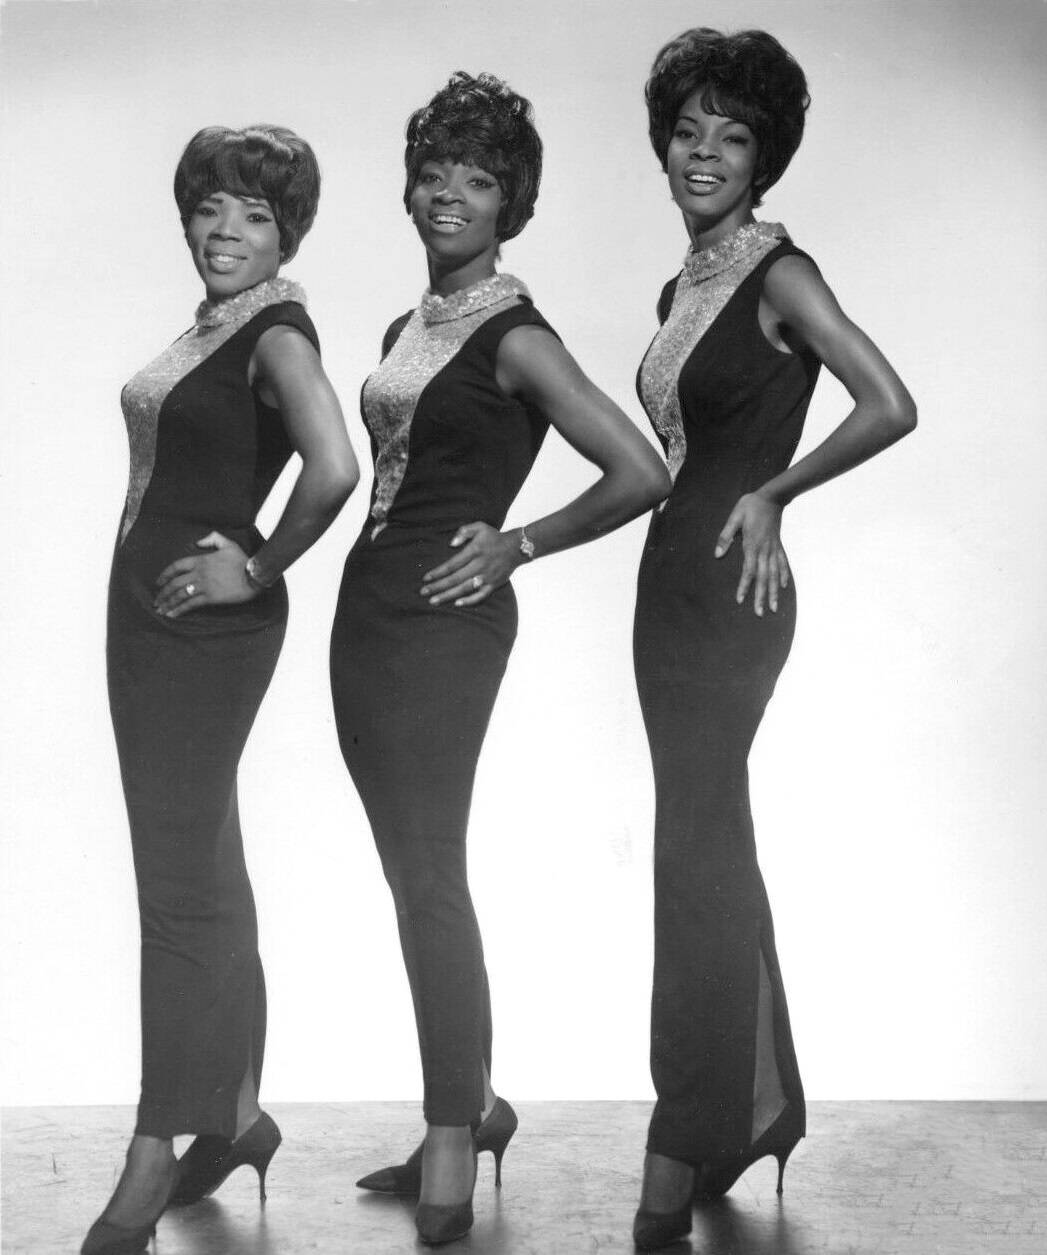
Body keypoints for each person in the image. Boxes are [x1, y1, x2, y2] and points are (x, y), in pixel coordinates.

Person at [330, 71, 669, 1246]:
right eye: (434, 173)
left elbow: (641, 468)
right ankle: (472, 1099)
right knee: (406, 873)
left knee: (431, 874)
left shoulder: (517, 331)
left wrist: (519, 542)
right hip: (363, 619)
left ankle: (448, 1135)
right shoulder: (401, 330)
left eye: (477, 179)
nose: (449, 196)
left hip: (446, 625)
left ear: (509, 201)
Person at [630, 28, 916, 1250]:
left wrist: (777, 492)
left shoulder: (780, 271)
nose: (705, 153)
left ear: (764, 157)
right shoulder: (680, 283)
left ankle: (676, 1136)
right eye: (688, 131)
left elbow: (891, 400)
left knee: (695, 856)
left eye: (731, 136)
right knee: (699, 849)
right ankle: (749, 1104)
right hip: (665, 591)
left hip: (738, 590)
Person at [82, 125, 358, 1255]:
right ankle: (235, 1115)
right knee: (208, 866)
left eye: (253, 213)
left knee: (176, 891)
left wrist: (256, 563)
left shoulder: (278, 331)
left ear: (286, 231)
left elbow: (335, 466)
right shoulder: (216, 324)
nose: (226, 230)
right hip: (150, 622)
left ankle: (156, 1151)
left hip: (204, 626)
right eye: (210, 208)